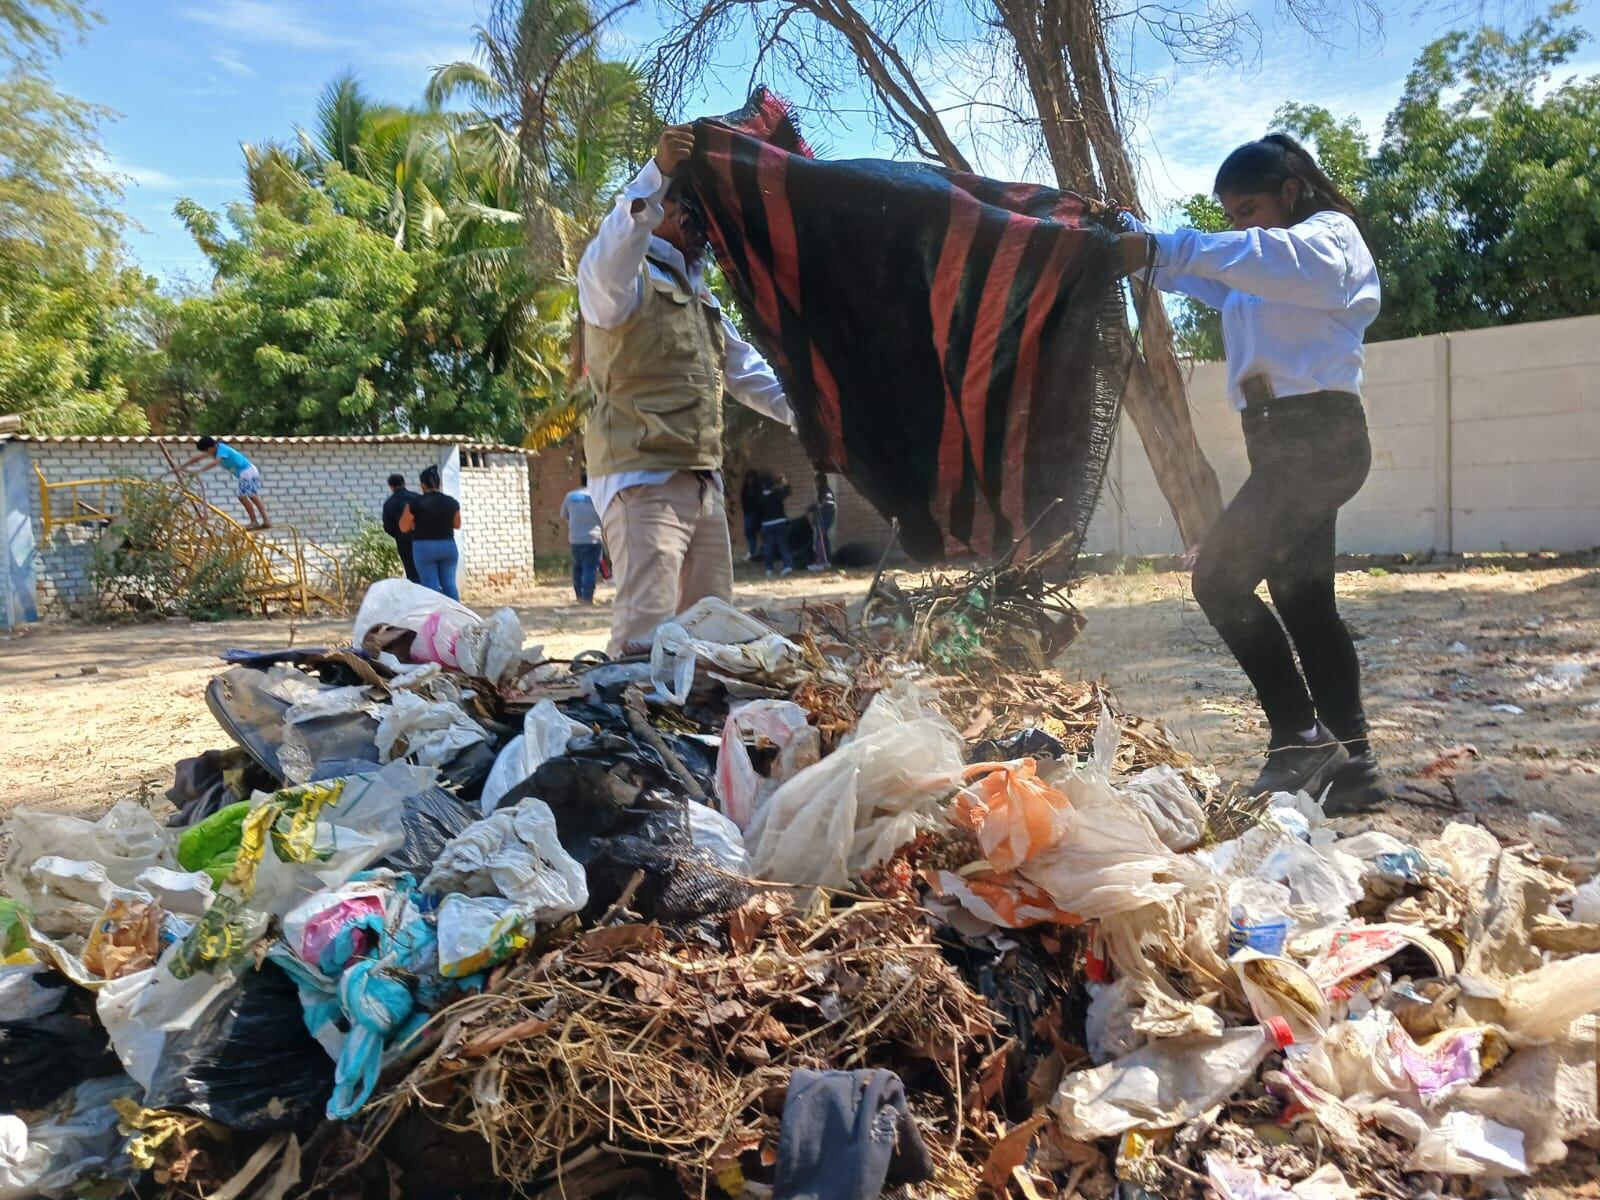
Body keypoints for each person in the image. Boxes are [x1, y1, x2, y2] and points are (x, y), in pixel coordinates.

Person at [1115, 133, 1382, 813]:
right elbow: (1195, 271)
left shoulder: (1328, 239)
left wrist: (1166, 245)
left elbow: (1253, 256)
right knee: (1304, 602)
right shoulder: (1259, 266)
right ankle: (1352, 766)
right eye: (1230, 216)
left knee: (1218, 579)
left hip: (1318, 438)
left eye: (1250, 208)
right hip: (1279, 442)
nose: (1241, 226)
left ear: (1291, 192)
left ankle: (1300, 737)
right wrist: (1131, 240)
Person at [578, 122, 794, 656]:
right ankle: (626, 736)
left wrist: (812, 418)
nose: (699, 225)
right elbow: (614, 245)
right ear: (663, 213)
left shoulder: (700, 297)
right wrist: (658, 175)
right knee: (642, 637)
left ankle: (690, 734)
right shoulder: (619, 284)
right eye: (688, 210)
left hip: (702, 483)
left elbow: (748, 376)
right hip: (642, 477)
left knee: (710, 628)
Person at [399, 464, 461, 600]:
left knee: (430, 585)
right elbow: (457, 525)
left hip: (424, 548)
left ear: (422, 485)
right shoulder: (451, 502)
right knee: (449, 585)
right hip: (448, 546)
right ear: (439, 484)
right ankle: (457, 618)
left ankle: (433, 618)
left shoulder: (415, 503)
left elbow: (403, 527)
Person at [180, 437, 269, 530]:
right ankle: (265, 520)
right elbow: (198, 458)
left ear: (210, 448)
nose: (207, 454)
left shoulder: (222, 450)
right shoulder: (217, 449)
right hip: (248, 471)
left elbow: (216, 462)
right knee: (252, 496)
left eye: (206, 451)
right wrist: (181, 466)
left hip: (247, 472)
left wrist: (199, 471)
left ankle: (255, 521)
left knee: (243, 496)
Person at [560, 471, 605, 605]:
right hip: (593, 539)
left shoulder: (570, 496)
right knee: (590, 568)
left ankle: (578, 596)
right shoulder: (598, 497)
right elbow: (605, 516)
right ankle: (587, 598)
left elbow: (564, 515)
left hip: (575, 538)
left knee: (578, 567)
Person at [381, 473, 421, 584]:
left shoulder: (388, 503)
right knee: (428, 571)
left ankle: (417, 597)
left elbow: (387, 527)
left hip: (404, 543)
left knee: (412, 573)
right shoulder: (418, 498)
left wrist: (400, 534)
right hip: (422, 539)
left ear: (391, 487)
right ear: (404, 483)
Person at [757, 472, 794, 578]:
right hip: (780, 522)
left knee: (768, 547)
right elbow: (788, 490)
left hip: (767, 524)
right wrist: (783, 480)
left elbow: (758, 511)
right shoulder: (777, 494)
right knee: (783, 545)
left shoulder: (760, 497)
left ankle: (769, 568)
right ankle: (787, 566)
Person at [807, 472, 837, 571]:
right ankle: (827, 561)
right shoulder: (821, 492)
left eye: (817, 482)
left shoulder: (827, 491)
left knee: (819, 540)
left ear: (821, 481)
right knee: (824, 539)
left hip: (826, 518)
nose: (816, 484)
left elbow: (830, 503)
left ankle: (819, 562)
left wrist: (821, 505)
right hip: (821, 518)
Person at [739, 469, 764, 563]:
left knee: (756, 532)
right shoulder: (745, 490)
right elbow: (743, 500)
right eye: (748, 479)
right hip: (748, 514)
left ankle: (756, 552)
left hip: (756, 514)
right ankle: (752, 551)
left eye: (751, 479)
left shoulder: (757, 489)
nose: (749, 481)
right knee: (749, 532)